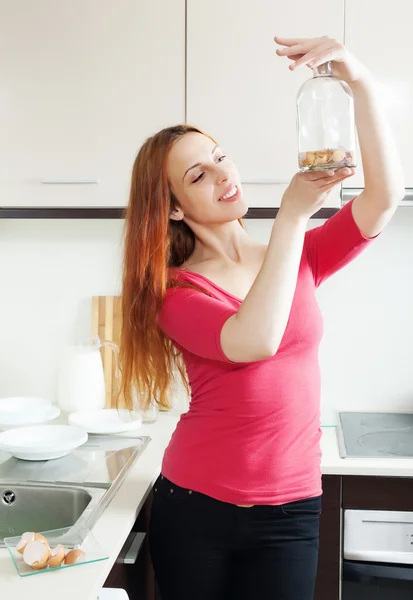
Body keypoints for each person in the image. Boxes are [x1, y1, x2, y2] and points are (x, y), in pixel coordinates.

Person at [119, 35, 404, 600]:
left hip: (293, 509)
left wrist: (360, 82)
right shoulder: (174, 293)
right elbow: (253, 341)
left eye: (220, 156)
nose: (224, 174)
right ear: (173, 207)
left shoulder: (295, 255)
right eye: (198, 176)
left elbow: (384, 197)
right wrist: (293, 216)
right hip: (196, 510)